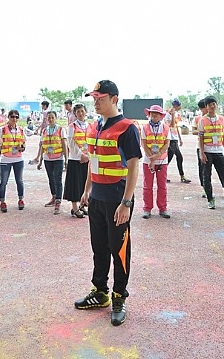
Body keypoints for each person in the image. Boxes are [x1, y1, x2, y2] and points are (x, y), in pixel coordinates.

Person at [75, 80, 141, 327]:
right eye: (94, 98)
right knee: (99, 248)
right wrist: (87, 190)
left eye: (100, 98)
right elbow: (94, 161)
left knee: (119, 250)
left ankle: (119, 296)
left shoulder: (127, 128)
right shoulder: (95, 127)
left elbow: (134, 166)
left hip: (117, 200)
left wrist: (126, 202)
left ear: (114, 99)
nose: (96, 102)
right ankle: (100, 291)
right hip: (97, 199)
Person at [197, 96, 224, 211]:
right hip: (207, 151)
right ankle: (210, 199)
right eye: (209, 105)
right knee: (207, 176)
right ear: (206, 107)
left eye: (214, 104)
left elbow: (222, 135)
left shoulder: (221, 119)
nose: (212, 106)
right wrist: (202, 153)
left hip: (218, 151)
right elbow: (200, 138)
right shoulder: (202, 120)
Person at [0, 110, 27, 212]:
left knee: (19, 181)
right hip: (5, 159)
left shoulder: (21, 130)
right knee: (3, 182)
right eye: (12, 117)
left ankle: (21, 200)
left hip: (18, 159)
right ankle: (2, 202)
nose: (14, 119)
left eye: (16, 117)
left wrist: (21, 148)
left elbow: (24, 145)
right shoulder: (3, 129)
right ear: (8, 117)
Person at [140, 105, 171, 219]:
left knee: (162, 186)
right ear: (149, 114)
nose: (154, 115)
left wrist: (156, 156)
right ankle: (147, 208)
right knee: (147, 186)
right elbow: (144, 144)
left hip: (162, 161)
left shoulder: (166, 128)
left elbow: (166, 144)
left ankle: (163, 208)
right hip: (148, 160)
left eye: (157, 114)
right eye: (152, 113)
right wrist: (151, 159)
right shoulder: (144, 127)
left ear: (161, 116)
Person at [36, 111, 68, 214]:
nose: (50, 119)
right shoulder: (44, 130)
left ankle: (58, 201)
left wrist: (66, 159)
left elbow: (64, 144)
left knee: (57, 179)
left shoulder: (61, 129)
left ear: (56, 118)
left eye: (52, 117)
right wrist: (40, 160)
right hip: (47, 159)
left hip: (58, 158)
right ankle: (54, 197)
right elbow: (42, 145)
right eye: (48, 118)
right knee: (51, 179)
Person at [64, 103, 89, 218]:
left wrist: (88, 156)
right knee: (75, 184)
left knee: (84, 183)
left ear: (86, 112)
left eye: (82, 111)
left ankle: (82, 205)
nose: (80, 113)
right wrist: (80, 155)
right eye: (78, 112)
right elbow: (71, 143)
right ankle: (74, 208)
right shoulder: (72, 126)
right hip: (75, 159)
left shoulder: (90, 126)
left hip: (87, 158)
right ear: (75, 114)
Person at [165, 98, 192, 184]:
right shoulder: (168, 114)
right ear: (176, 106)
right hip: (170, 139)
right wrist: (172, 115)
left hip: (175, 137)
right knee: (179, 157)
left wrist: (180, 138)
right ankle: (182, 176)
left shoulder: (176, 114)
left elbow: (176, 127)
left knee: (168, 158)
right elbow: (171, 125)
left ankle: (162, 174)